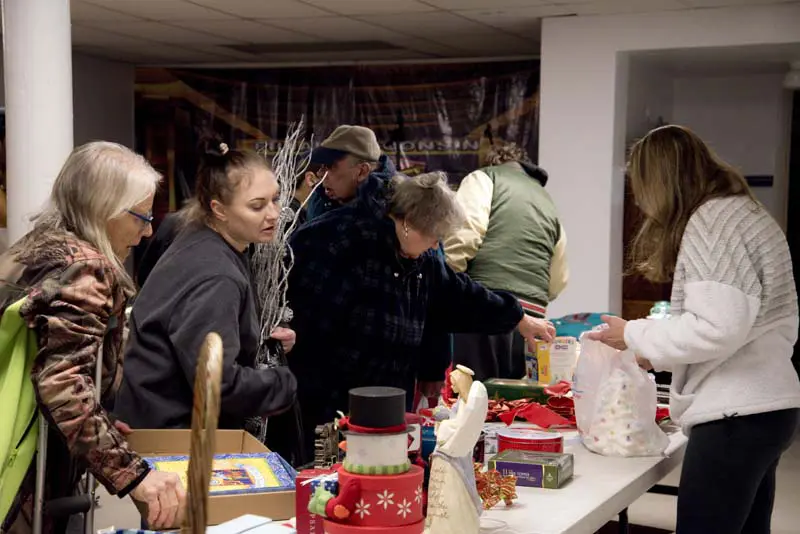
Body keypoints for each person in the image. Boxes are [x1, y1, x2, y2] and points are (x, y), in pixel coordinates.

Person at [588, 125, 800, 534]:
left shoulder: (713, 220)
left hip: (736, 415)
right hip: (766, 407)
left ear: (660, 181)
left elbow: (718, 327)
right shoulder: (742, 211)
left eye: (641, 186)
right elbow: (735, 320)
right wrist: (655, 344)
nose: (641, 200)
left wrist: (633, 334)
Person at [287, 171, 555, 464]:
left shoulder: (420, 256)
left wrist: (519, 318)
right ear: (409, 223)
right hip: (331, 401)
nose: (434, 245)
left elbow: (459, 294)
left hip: (388, 400)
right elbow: (311, 329)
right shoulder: (339, 240)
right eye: (433, 237)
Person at [0, 142, 185, 534]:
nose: (148, 230)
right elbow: (63, 383)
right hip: (25, 460)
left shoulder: (37, 245)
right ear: (105, 211)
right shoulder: (87, 269)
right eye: (142, 216)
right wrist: (134, 476)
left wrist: (97, 425)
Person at [116, 143, 297, 434]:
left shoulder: (204, 241)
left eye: (275, 200)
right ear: (218, 209)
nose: (274, 214)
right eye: (257, 205)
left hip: (159, 423)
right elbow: (217, 384)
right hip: (173, 439)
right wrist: (282, 383)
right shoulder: (215, 274)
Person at [444, 142, 568, 381]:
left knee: (475, 399)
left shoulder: (484, 178)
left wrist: (447, 279)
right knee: (515, 406)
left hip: (487, 306)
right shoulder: (547, 201)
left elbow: (465, 232)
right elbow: (559, 277)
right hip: (533, 318)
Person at [425, 365, 487, 534]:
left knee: (453, 490)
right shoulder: (460, 403)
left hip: (451, 453)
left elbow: (459, 427)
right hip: (445, 452)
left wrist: (444, 421)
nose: (451, 387)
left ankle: (454, 526)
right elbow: (456, 421)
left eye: (453, 383)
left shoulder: (469, 405)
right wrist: (446, 415)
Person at [303, 124, 396, 221]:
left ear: (362, 171)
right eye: (322, 166)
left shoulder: (403, 203)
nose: (320, 174)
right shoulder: (319, 199)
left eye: (329, 166)